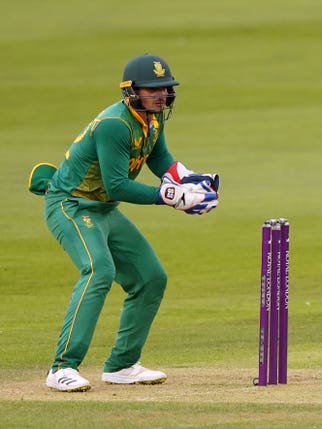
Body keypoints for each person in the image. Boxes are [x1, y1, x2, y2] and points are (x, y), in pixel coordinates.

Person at [28, 54, 220, 392]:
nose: (162, 95)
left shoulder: (152, 118)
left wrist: (189, 179)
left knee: (150, 277)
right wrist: (170, 197)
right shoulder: (115, 125)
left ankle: (121, 365)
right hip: (71, 205)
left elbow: (159, 158)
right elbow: (117, 184)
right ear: (131, 91)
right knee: (99, 270)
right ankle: (62, 368)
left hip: (102, 208)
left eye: (166, 89)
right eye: (154, 89)